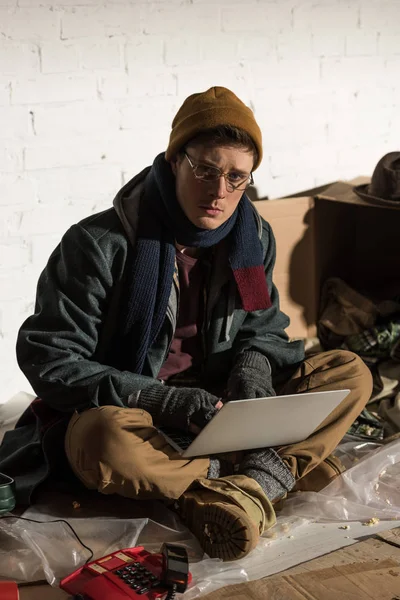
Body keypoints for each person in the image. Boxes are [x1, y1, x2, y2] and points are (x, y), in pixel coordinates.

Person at [0, 87, 372, 562]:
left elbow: (261, 323)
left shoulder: (251, 237)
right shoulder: (98, 244)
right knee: (100, 439)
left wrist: (254, 371)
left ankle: (234, 485)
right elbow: (50, 358)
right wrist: (162, 398)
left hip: (222, 408)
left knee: (350, 373)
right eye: (206, 170)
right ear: (175, 160)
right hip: (136, 412)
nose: (220, 192)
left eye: (237, 177)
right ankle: (256, 479)